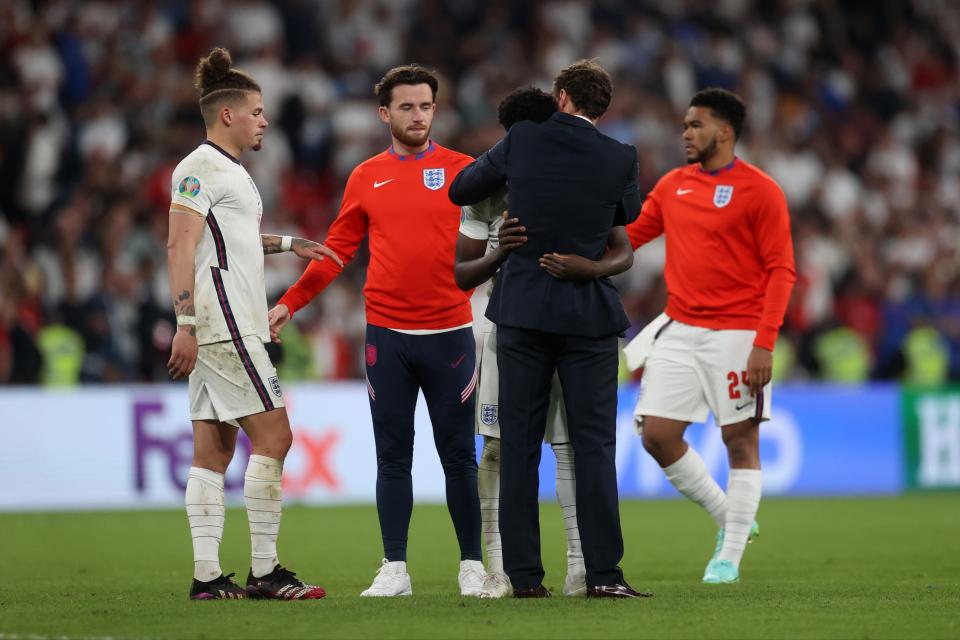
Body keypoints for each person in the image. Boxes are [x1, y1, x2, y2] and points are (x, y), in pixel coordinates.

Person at [268, 65, 485, 597]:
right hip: (387, 337)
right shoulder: (366, 176)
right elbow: (336, 252)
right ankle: (395, 568)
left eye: (426, 106)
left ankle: (472, 567)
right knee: (393, 455)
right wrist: (291, 302)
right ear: (384, 113)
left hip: (451, 334)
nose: (418, 115)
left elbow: (498, 237)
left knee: (459, 455)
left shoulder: (467, 172)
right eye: (407, 106)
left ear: (437, 109)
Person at [449, 60, 649, 598]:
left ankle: (525, 579)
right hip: (587, 314)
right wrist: (588, 256)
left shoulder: (523, 141)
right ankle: (604, 576)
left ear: (560, 96)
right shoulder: (620, 156)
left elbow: (461, 188)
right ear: (601, 109)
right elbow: (622, 221)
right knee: (592, 447)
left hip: (522, 312)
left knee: (518, 446)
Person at [167, 48, 337, 600]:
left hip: (227, 323)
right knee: (276, 436)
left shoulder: (231, 173)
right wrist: (186, 322)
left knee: (212, 451)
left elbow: (233, 239)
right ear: (227, 115)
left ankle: (207, 578)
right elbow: (181, 243)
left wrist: (289, 244)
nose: (265, 120)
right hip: (224, 325)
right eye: (257, 111)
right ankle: (265, 570)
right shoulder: (198, 168)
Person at [626, 88, 796, 584]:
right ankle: (730, 519)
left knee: (739, 441)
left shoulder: (761, 191)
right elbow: (630, 236)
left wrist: (765, 341)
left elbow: (781, 270)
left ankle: (729, 558)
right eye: (684, 125)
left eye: (695, 125)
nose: (685, 133)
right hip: (679, 326)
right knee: (656, 435)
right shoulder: (673, 185)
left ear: (724, 132)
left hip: (740, 331)